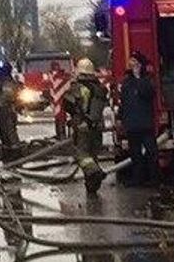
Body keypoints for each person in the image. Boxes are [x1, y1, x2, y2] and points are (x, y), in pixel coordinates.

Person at [61, 58, 108, 194]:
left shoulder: (78, 87)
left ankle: (96, 172)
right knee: (92, 155)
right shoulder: (100, 88)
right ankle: (92, 186)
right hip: (97, 127)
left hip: (82, 126)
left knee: (82, 155)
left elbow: (68, 104)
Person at [117, 55, 159, 185]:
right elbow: (123, 101)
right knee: (135, 154)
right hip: (131, 123)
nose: (132, 65)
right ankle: (137, 178)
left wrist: (138, 77)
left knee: (151, 152)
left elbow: (148, 93)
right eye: (131, 62)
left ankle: (153, 178)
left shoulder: (147, 80)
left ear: (141, 65)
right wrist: (121, 118)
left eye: (135, 63)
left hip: (145, 123)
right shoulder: (126, 82)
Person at [0, 62, 20, 157]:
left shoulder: (6, 81)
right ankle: (8, 152)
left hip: (7, 109)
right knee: (4, 131)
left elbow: (7, 94)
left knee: (9, 131)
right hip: (4, 109)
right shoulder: (5, 80)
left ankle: (14, 153)